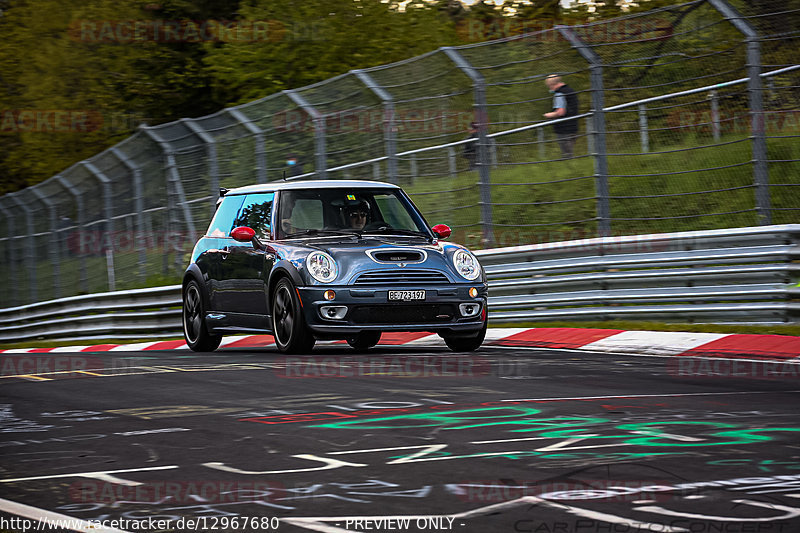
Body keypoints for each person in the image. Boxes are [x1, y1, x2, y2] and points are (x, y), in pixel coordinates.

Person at [543, 74, 579, 159]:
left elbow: (560, 112)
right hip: (573, 126)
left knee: (566, 155)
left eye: (549, 86)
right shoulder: (571, 91)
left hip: (563, 128)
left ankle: (570, 169)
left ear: (552, 85)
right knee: (570, 151)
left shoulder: (559, 94)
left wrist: (549, 115)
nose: (550, 89)